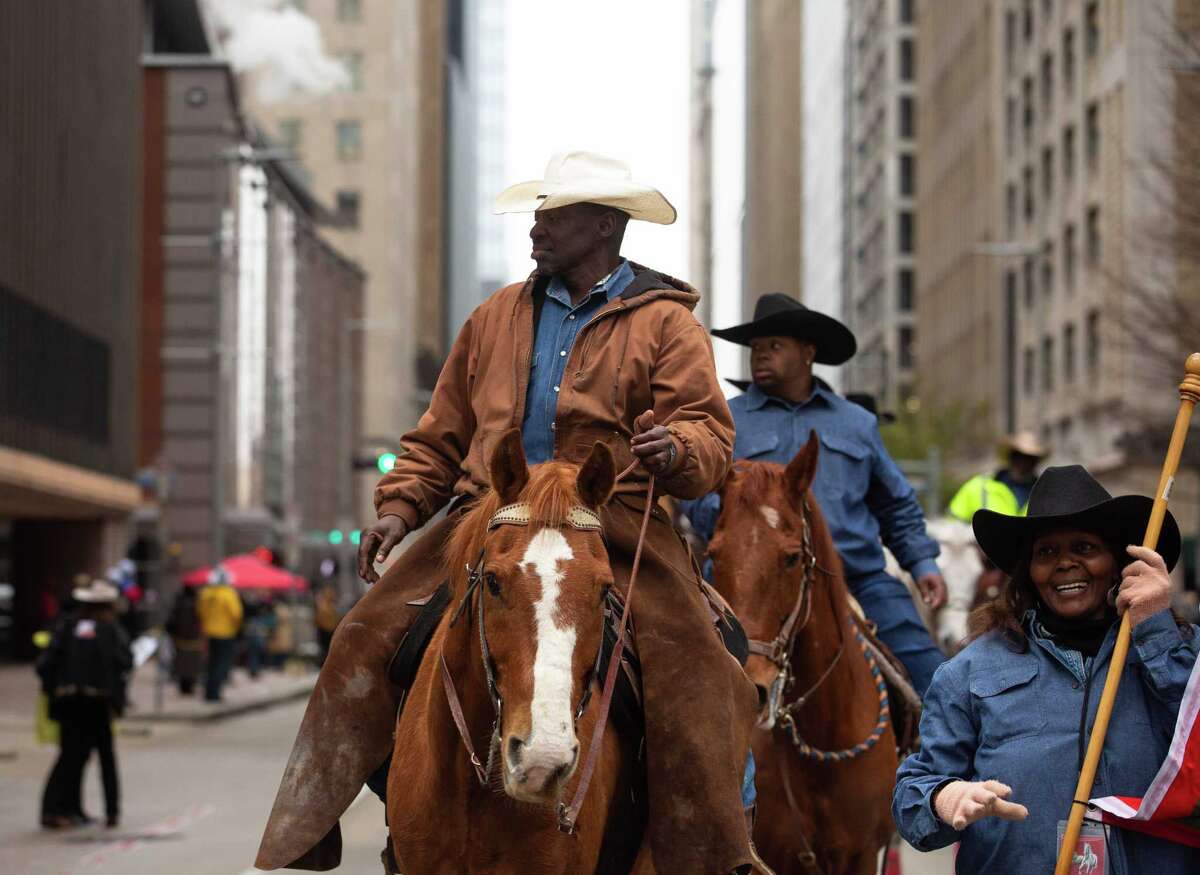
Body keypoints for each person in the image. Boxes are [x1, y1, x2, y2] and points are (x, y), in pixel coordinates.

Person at [256, 151, 763, 875]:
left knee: (704, 668)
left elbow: (710, 435)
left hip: (609, 523)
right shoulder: (494, 317)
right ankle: (314, 820)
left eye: (553, 214)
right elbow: (440, 434)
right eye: (539, 212)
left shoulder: (667, 326)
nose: (537, 226)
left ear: (604, 226)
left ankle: (716, 850)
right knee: (363, 634)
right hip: (486, 518)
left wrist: (674, 448)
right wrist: (402, 507)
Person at [893, 465, 1200, 872]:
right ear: (1028, 572)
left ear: (1119, 563)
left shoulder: (1184, 652)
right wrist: (944, 797)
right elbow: (914, 800)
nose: (1065, 563)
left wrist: (1156, 629)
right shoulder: (966, 673)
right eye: (1047, 553)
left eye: (1085, 548)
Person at [683, 293, 949, 696]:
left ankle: (940, 755)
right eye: (756, 348)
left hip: (854, 579)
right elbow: (696, 494)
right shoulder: (727, 418)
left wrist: (923, 562)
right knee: (684, 671)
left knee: (933, 677)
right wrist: (732, 520)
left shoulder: (856, 423)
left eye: (774, 346)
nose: (761, 356)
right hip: (744, 582)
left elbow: (895, 503)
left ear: (808, 352)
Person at [37, 579, 131, 829]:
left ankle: (62, 809)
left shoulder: (68, 626)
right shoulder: (111, 630)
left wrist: (54, 690)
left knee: (71, 756)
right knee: (104, 757)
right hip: (98, 702)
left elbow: (46, 663)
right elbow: (124, 662)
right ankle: (111, 812)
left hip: (69, 701)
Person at [948, 430, 1047, 522]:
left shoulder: (1046, 493)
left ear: (1036, 461)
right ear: (1010, 456)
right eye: (1019, 456)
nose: (1023, 462)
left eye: (1029, 458)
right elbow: (952, 526)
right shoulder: (978, 487)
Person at [196, 566, 242, 702]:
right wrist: (236, 628)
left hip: (209, 633)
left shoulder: (205, 593)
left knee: (210, 663)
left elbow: (200, 612)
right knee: (222, 663)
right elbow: (236, 614)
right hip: (226, 633)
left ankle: (208, 692)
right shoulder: (229, 594)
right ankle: (215, 693)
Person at [166, 585, 203, 695]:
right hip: (193, 639)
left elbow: (171, 622)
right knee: (192, 665)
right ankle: (189, 686)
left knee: (181, 663)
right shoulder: (197, 605)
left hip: (180, 639)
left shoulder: (178, 604)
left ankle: (183, 686)